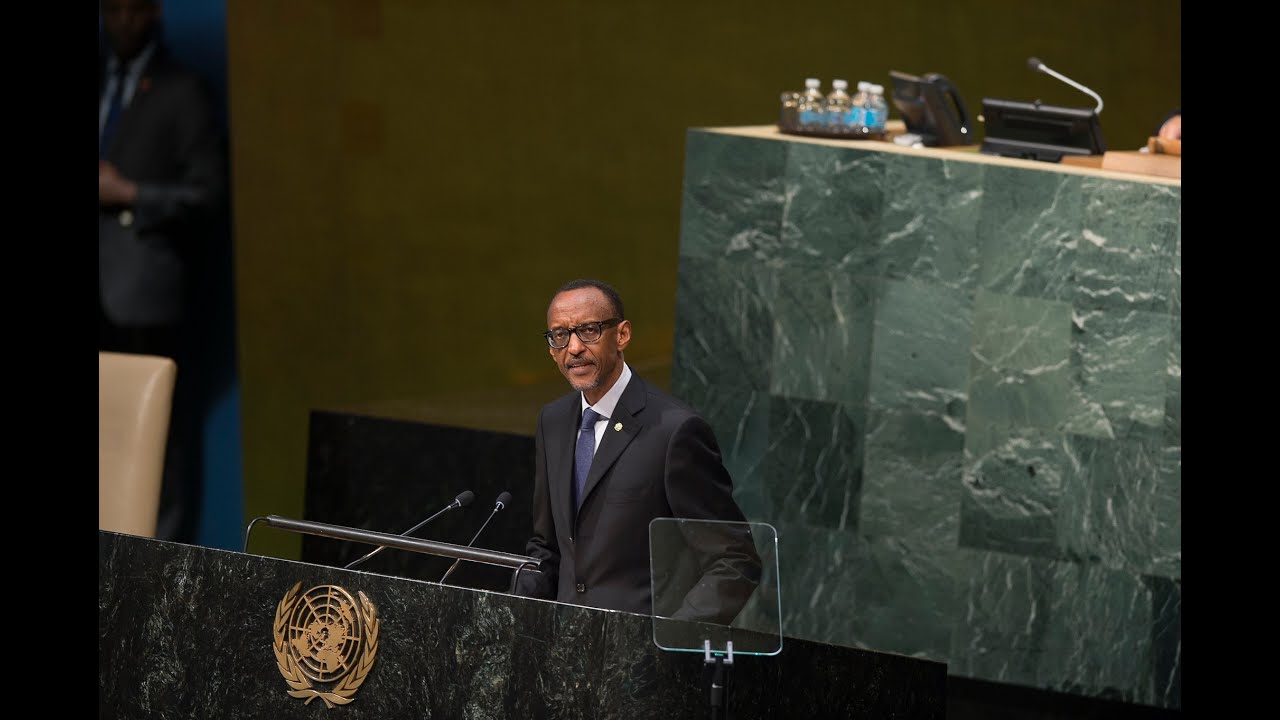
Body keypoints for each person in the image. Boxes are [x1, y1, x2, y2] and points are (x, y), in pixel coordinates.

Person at [513, 279, 761, 621]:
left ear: (622, 335)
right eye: (560, 335)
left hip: (638, 659)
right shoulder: (552, 421)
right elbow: (547, 547)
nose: (573, 348)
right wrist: (514, 616)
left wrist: (667, 645)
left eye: (588, 331)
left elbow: (734, 561)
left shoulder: (675, 430)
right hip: (563, 656)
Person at [99, 0, 227, 543]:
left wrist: (129, 193)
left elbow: (207, 194)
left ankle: (158, 561)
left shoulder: (182, 90)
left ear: (152, 11)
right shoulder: (102, 80)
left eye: (130, 8)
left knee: (159, 439)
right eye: (109, 9)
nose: (119, 20)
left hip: (145, 292)